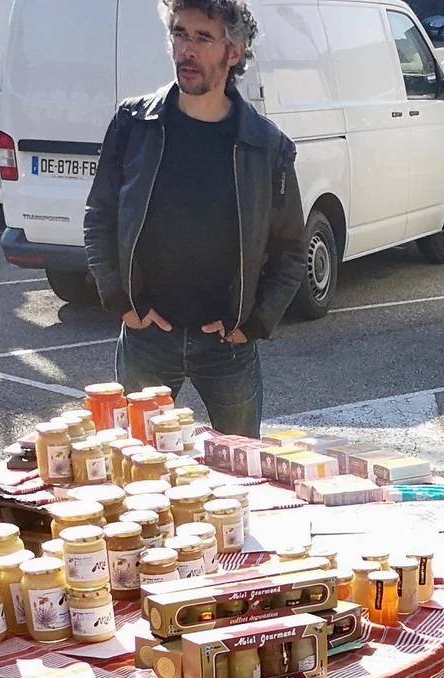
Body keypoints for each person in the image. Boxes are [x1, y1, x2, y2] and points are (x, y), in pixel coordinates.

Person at [83, 0, 306, 440]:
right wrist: (120, 302)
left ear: (234, 52)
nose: (187, 49)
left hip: (228, 348)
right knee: (132, 471)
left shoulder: (265, 146)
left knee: (243, 476)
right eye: (180, 34)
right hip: (147, 338)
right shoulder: (134, 124)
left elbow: (291, 250)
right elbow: (99, 217)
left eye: (203, 38)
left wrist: (255, 324)